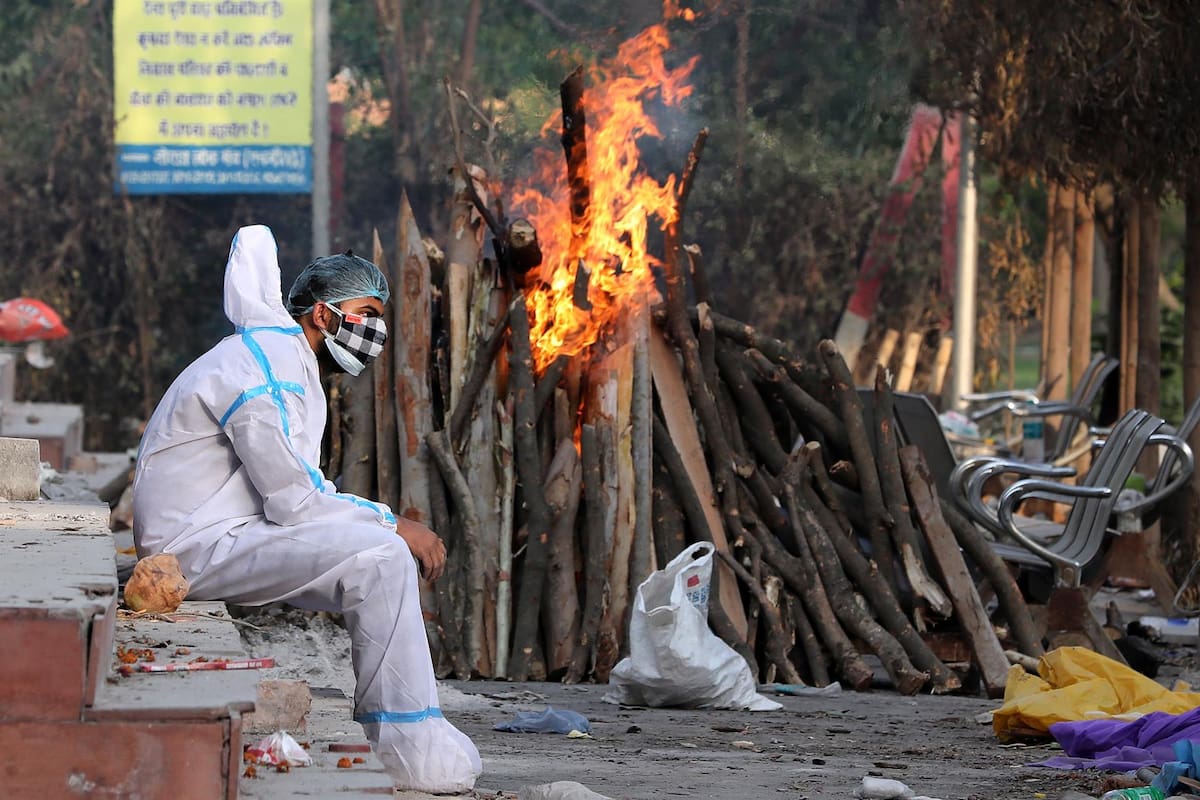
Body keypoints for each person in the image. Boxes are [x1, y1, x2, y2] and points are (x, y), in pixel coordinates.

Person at [132, 225, 482, 794]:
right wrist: (393, 522)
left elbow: (294, 494)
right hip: (192, 553)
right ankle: (411, 750)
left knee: (377, 560)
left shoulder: (276, 356)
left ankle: (408, 740)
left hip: (218, 538)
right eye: (366, 312)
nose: (377, 329)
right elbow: (294, 499)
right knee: (383, 558)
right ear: (323, 315)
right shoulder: (265, 366)